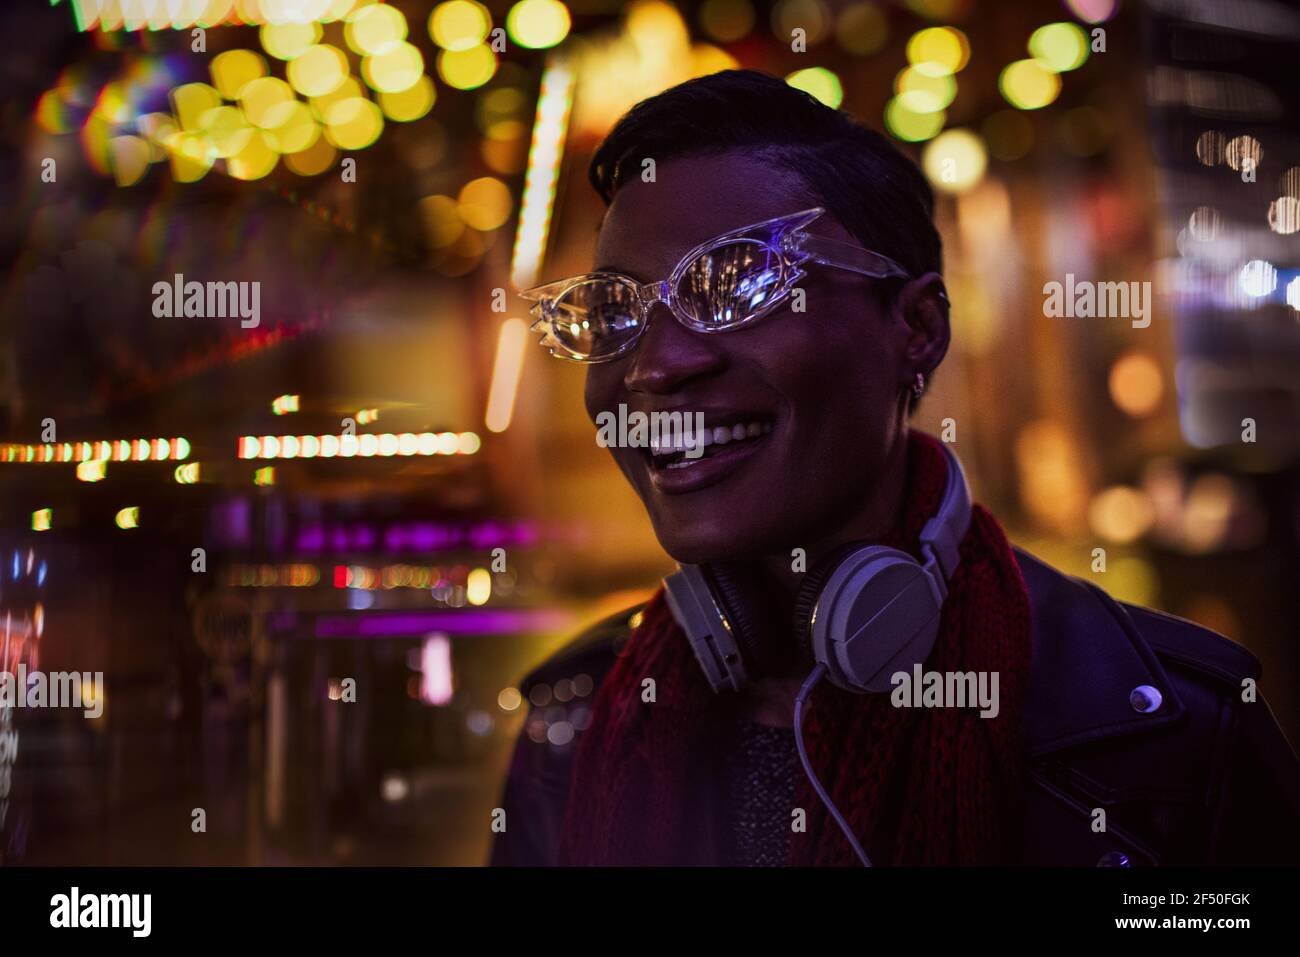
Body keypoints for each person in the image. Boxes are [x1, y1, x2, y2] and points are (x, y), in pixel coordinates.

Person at [491, 70, 1300, 866]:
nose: (654, 368)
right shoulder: (576, 722)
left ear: (917, 327)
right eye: (615, 309)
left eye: (738, 283)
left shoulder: (1174, 733)